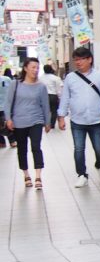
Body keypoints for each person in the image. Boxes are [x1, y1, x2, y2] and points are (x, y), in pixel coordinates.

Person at [58, 46, 100, 188]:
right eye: (76, 59)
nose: (78, 62)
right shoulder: (70, 78)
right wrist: (61, 116)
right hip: (77, 120)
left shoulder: (99, 76)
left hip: (96, 120)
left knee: (99, 149)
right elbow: (65, 98)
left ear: (89, 59)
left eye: (81, 59)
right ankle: (82, 174)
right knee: (79, 149)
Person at [4, 58, 50, 189]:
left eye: (37, 68)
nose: (35, 70)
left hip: (36, 120)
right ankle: (26, 174)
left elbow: (45, 105)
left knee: (36, 146)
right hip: (19, 122)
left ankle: (38, 176)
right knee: (22, 149)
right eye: (33, 67)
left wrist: (47, 122)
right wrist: (8, 118)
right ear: (25, 68)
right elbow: (8, 102)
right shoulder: (15, 84)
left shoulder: (41, 86)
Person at [41, 65, 63, 130]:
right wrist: (59, 97)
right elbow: (59, 89)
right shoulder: (56, 78)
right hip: (53, 96)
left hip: (43, 96)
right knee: (54, 111)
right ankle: (52, 124)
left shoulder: (40, 78)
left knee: (44, 110)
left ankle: (44, 123)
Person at [0, 71, 15, 148]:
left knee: (6, 123)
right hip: (6, 106)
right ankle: (10, 141)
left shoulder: (6, 79)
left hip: (5, 106)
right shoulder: (7, 79)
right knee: (5, 123)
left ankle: (8, 141)